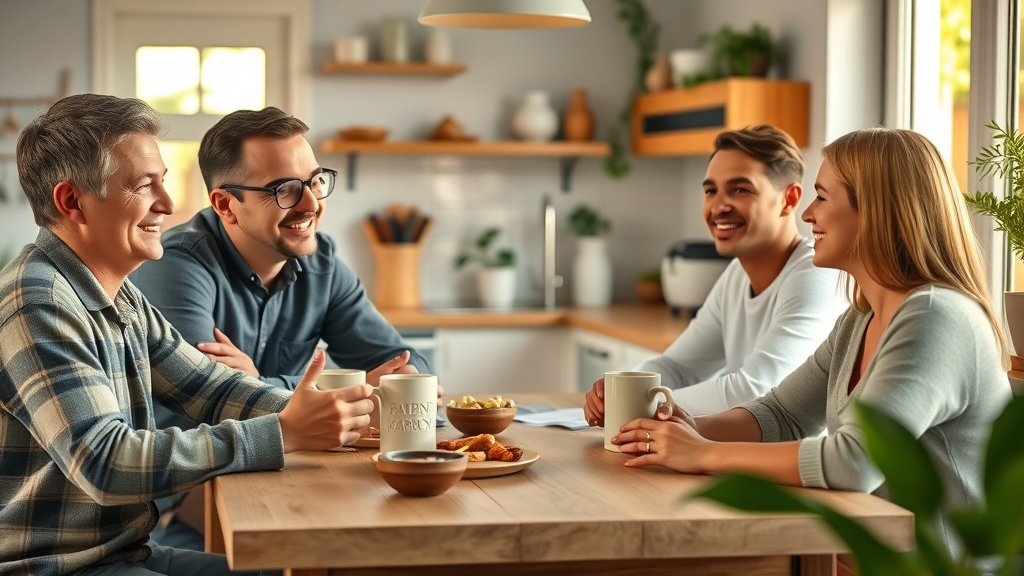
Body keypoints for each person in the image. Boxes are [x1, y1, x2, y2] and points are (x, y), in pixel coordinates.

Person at [0, 94, 374, 576]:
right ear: (72, 202)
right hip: (52, 567)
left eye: (163, 182)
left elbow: (209, 389)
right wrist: (283, 431)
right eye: (143, 186)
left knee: (281, 568)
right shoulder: (38, 301)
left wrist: (330, 408)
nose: (168, 204)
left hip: (123, 552)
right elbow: (105, 461)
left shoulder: (117, 295)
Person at [613, 127, 1013, 557]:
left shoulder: (935, 318)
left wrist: (705, 454)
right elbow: (782, 413)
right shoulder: (860, 319)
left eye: (821, 197)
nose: (807, 215)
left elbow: (853, 461)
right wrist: (691, 426)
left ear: (875, 209)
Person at [130, 107, 431, 549]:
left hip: (293, 462)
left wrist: (261, 382)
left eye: (314, 181)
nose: (311, 203)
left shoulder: (321, 261)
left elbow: (402, 362)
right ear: (227, 205)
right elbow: (211, 402)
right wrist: (350, 390)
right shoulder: (175, 265)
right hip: (186, 487)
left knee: (387, 540)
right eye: (284, 190)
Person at [584, 125, 847, 425]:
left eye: (740, 189)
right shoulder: (737, 274)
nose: (719, 206)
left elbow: (756, 390)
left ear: (789, 199)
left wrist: (636, 403)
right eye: (711, 191)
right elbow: (679, 366)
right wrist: (623, 386)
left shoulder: (816, 273)